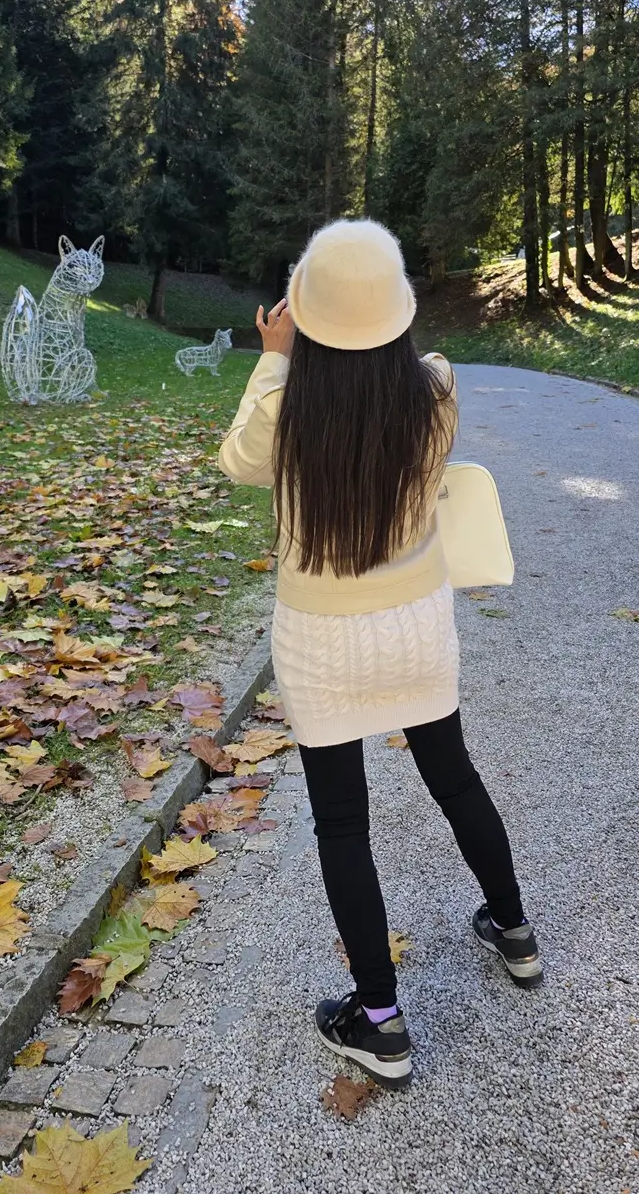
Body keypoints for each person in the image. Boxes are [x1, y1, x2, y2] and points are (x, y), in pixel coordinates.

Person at [217, 218, 541, 1091]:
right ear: (397, 310)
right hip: (414, 626)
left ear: (305, 314)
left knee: (341, 821)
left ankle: (379, 1018)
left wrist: (274, 358)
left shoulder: (289, 409)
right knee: (455, 779)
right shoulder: (435, 388)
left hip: (320, 638)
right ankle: (513, 931)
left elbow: (238, 459)